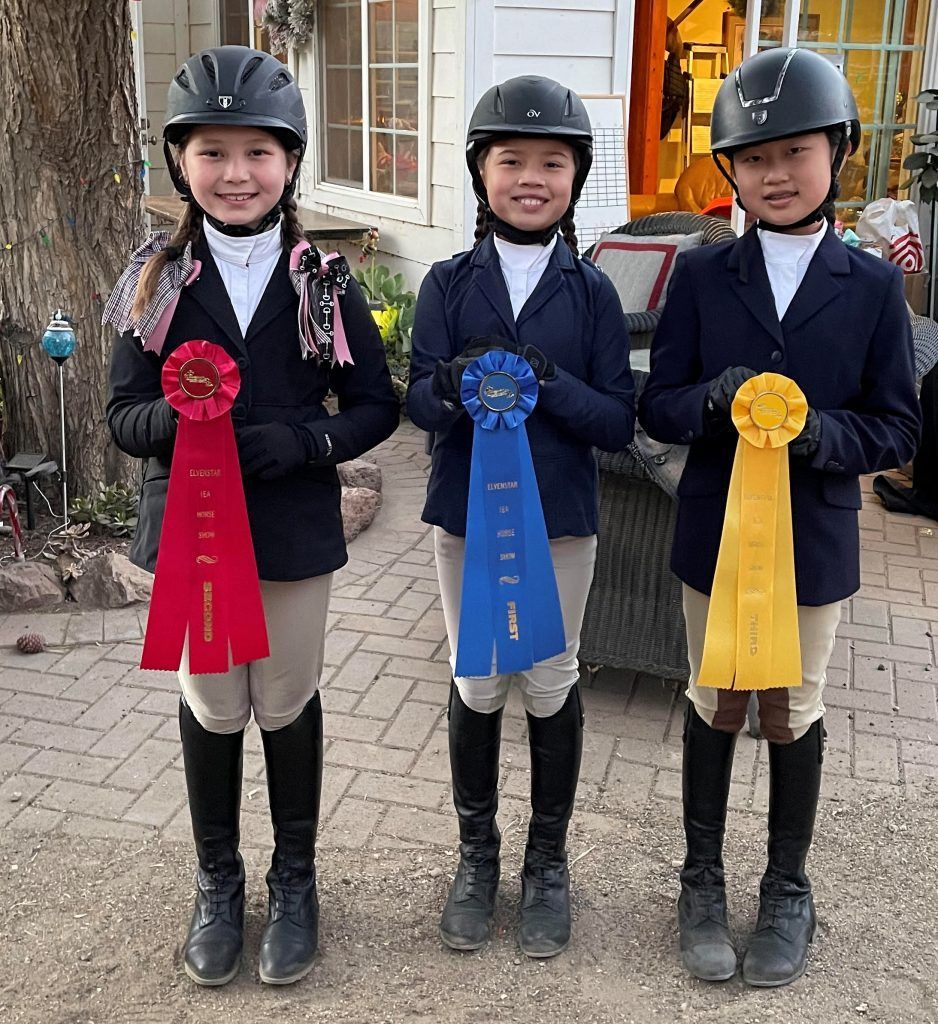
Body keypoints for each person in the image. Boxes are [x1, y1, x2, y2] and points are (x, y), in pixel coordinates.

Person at [105, 46, 398, 987]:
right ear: (180, 161)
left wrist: (307, 446)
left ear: (290, 161)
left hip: (290, 530)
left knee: (285, 701)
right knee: (212, 704)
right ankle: (219, 883)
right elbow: (121, 416)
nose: (237, 175)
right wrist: (190, 420)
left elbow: (376, 405)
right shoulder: (153, 281)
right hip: (193, 532)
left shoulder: (328, 281)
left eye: (258, 153)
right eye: (214, 152)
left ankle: (297, 880)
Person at [639, 47, 921, 987]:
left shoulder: (875, 288)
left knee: (793, 709)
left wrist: (820, 437)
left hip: (814, 537)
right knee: (715, 696)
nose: (775, 173)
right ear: (731, 172)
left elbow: (895, 427)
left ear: (835, 152)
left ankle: (788, 884)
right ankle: (702, 879)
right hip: (716, 531)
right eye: (754, 157)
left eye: (794, 152)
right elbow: (659, 406)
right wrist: (712, 400)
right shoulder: (703, 276)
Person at [407, 76, 635, 959]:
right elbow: (419, 404)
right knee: (476, 680)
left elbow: (618, 419)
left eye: (552, 162)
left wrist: (551, 382)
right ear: (481, 172)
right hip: (467, 515)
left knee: (548, 678)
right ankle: (476, 856)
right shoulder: (447, 282)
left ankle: (547, 862)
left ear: (575, 175)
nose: (530, 177)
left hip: (562, 518)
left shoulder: (593, 293)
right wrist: (460, 384)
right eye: (512, 161)